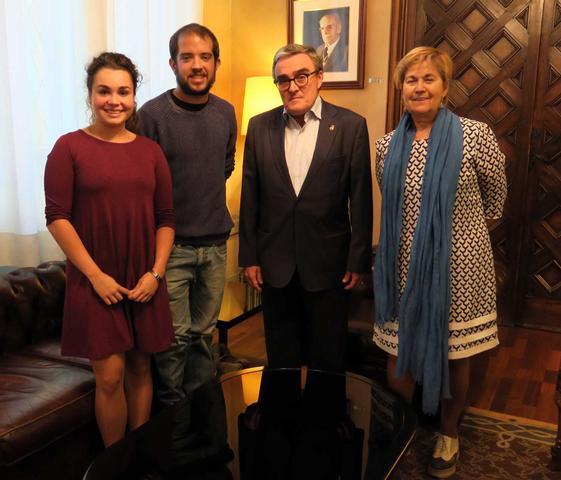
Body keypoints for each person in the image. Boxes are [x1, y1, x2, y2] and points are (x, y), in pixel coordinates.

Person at [372, 46, 507, 478]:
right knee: (397, 353)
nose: (419, 87)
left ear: (445, 87)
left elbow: (496, 200)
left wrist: (454, 237)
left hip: (460, 268)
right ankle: (404, 428)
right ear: (401, 89)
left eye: (428, 79)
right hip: (401, 267)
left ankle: (448, 433)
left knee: (454, 354)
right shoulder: (386, 146)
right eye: (411, 80)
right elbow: (393, 205)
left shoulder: (475, 136)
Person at [44, 52, 176, 447]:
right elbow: (57, 217)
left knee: (140, 369)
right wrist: (95, 276)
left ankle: (138, 454)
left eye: (123, 92)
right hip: (95, 280)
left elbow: (166, 218)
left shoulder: (150, 151)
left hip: (143, 278)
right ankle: (113, 463)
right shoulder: (68, 148)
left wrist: (156, 273)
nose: (114, 101)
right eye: (104, 91)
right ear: (90, 95)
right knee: (110, 377)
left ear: (134, 97)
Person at [239, 43, 372, 375]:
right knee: (281, 358)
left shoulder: (350, 126)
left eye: (301, 76)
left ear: (319, 77)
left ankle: (323, 411)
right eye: (283, 79)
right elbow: (250, 197)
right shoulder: (259, 127)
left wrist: (358, 260)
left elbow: (360, 199)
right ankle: (283, 409)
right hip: (275, 264)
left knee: (328, 359)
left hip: (329, 264)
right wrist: (249, 257)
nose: (293, 86)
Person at [138, 23, 236, 406]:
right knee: (174, 338)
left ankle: (200, 412)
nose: (197, 65)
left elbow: (224, 166)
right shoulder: (151, 115)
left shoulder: (226, 112)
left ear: (216, 63)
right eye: (187, 57)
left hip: (215, 247)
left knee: (203, 335)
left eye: (205, 57)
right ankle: (171, 418)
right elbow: (142, 182)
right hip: (171, 248)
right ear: (172, 63)